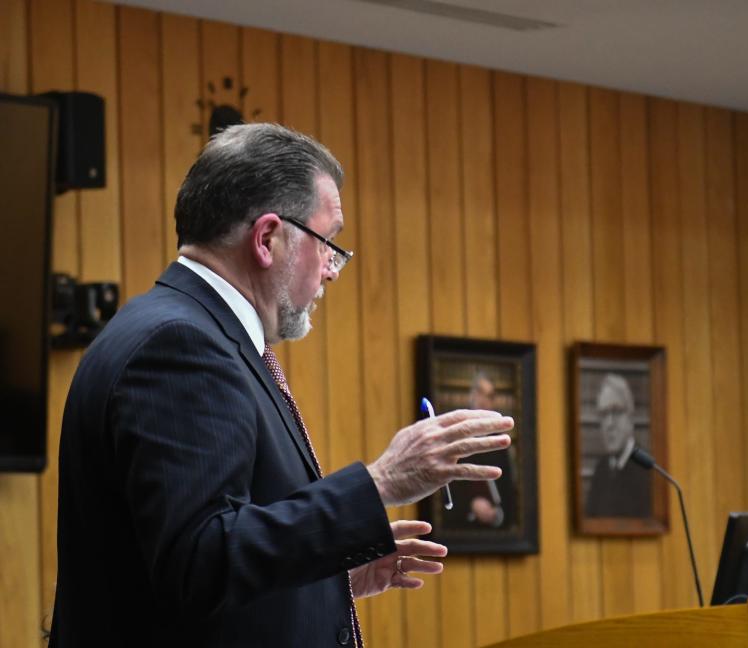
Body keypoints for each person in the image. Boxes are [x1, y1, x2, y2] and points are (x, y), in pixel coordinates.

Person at [49, 123, 513, 648]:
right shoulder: (180, 346)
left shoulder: (178, 329)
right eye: (328, 242)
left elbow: (195, 567)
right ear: (267, 238)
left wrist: (324, 580)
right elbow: (198, 562)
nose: (333, 269)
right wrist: (381, 481)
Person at [444, 372, 516, 529]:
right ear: (472, 395)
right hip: (461, 527)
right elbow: (448, 485)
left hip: (495, 530)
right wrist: (471, 506)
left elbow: (507, 488)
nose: (484, 400)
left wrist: (497, 514)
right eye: (480, 392)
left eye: (489, 395)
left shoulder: (500, 440)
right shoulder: (456, 434)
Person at [584, 373, 652, 518]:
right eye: (603, 414)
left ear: (631, 417)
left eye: (616, 411)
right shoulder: (600, 470)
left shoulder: (648, 469)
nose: (609, 424)